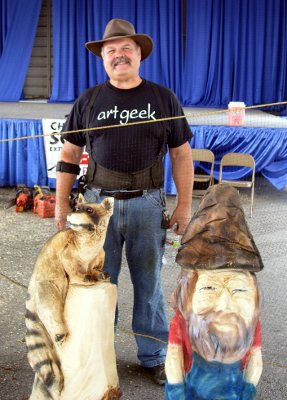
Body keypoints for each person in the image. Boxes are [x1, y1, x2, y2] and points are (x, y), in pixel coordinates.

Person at [55, 18, 194, 385]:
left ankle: (154, 356)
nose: (119, 56)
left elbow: (181, 155)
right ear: (103, 58)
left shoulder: (163, 98)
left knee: (149, 286)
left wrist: (183, 204)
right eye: (111, 51)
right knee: (100, 284)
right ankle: (99, 356)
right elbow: (70, 151)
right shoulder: (89, 100)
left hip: (149, 204)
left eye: (126, 49)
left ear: (139, 55)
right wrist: (59, 205)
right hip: (97, 207)